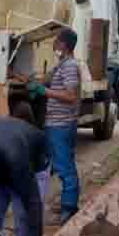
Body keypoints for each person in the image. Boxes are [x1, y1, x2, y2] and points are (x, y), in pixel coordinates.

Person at [28, 27, 81, 225]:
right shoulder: (62, 64)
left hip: (61, 125)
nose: (53, 44)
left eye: (56, 41)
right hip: (55, 124)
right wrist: (30, 81)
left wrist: (44, 91)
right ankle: (66, 205)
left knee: (64, 166)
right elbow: (45, 81)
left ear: (64, 45)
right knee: (52, 165)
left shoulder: (69, 66)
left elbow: (70, 96)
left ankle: (69, 208)